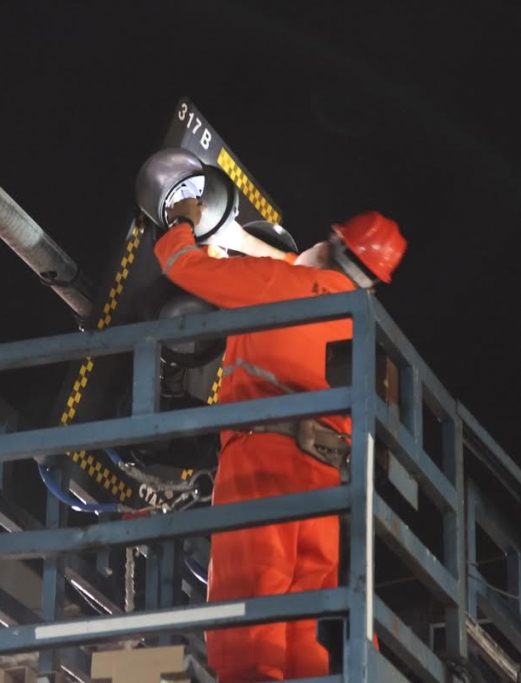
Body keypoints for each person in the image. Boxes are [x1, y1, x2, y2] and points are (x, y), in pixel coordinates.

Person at [153, 197, 407, 682]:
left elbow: (180, 264)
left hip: (264, 459)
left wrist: (182, 219)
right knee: (308, 618)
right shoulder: (367, 330)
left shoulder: (283, 287)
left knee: (250, 598)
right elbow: (302, 276)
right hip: (328, 482)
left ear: (334, 244)